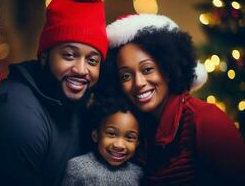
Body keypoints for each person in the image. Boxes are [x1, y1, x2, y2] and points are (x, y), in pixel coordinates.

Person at [0, 0, 108, 186]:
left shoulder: (79, 105)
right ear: (45, 56)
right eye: (69, 55)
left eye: (92, 60)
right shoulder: (15, 115)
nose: (82, 69)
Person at [104, 14, 245, 185]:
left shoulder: (207, 120)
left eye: (147, 69)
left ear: (168, 69)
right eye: (126, 75)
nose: (138, 83)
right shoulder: (133, 128)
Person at [61, 96, 143, 186]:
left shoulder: (138, 173)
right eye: (111, 134)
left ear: (137, 143)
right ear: (95, 136)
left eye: (130, 137)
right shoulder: (78, 168)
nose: (119, 145)